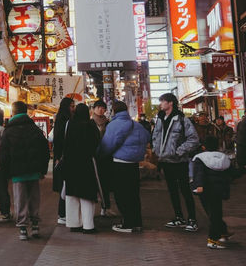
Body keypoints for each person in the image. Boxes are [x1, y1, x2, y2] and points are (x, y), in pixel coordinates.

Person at [0, 101, 50, 240]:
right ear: (25, 112)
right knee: (34, 198)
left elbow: (3, 155)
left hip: (17, 173)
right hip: (34, 171)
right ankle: (35, 226)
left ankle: (23, 228)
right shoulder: (35, 129)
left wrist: (5, 173)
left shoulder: (8, 131)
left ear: (13, 112)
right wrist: (42, 170)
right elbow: (45, 150)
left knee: (20, 199)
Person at [99, 100, 150, 233]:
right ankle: (137, 222)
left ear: (114, 111)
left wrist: (100, 155)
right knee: (134, 194)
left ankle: (128, 223)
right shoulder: (136, 125)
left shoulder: (114, 125)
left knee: (121, 194)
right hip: (134, 164)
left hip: (120, 163)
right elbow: (147, 137)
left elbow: (108, 145)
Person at [152, 93, 200, 231]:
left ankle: (192, 219)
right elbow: (155, 136)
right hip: (165, 161)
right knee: (172, 190)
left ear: (170, 103)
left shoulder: (181, 119)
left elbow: (193, 139)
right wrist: (157, 150)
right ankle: (179, 217)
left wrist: (178, 151)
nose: (160, 104)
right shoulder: (160, 118)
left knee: (185, 190)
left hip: (179, 161)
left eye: (162, 101)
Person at [63, 103, 101, 234]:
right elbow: (97, 142)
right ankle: (88, 226)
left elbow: (64, 143)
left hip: (70, 164)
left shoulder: (70, 124)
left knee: (72, 195)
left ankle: (74, 224)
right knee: (87, 196)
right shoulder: (91, 125)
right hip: (86, 163)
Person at [191, 136, 232, 249]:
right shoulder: (224, 158)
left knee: (213, 214)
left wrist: (199, 185)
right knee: (216, 212)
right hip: (219, 191)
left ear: (204, 147)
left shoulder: (200, 158)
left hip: (206, 191)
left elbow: (199, 173)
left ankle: (213, 239)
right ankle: (223, 232)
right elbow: (231, 173)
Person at [52, 97, 75, 225]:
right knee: (64, 187)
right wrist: (58, 158)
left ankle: (64, 213)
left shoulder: (63, 119)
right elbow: (59, 141)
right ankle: (62, 214)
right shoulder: (64, 121)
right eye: (71, 106)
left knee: (65, 187)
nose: (73, 108)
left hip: (62, 158)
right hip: (63, 158)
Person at [90, 100, 112, 216]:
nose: (100, 109)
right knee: (93, 183)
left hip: (105, 157)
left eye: (102, 108)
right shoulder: (90, 123)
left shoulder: (108, 123)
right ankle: (91, 210)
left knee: (105, 182)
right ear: (93, 109)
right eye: (98, 107)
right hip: (93, 157)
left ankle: (105, 207)